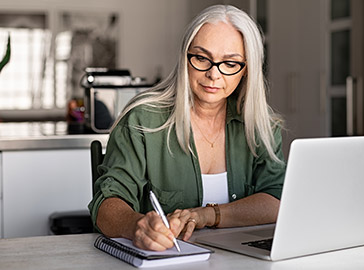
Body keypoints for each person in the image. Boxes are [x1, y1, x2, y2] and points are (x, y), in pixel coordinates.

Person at [88, 4, 286, 251]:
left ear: (246, 70)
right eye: (202, 58)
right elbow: (106, 204)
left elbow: (276, 200)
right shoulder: (142, 119)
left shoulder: (261, 124)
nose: (214, 74)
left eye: (230, 63)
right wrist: (135, 225)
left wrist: (206, 215)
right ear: (185, 58)